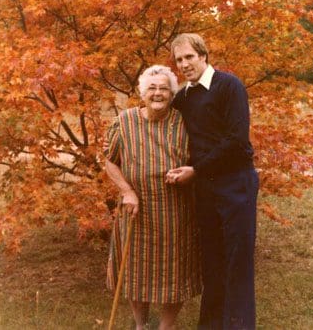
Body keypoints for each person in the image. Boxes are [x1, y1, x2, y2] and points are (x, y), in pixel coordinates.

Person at [167, 33, 259, 330]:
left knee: (237, 260)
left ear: (203, 55)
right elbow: (156, 116)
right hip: (206, 188)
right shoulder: (183, 97)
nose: (184, 64)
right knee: (213, 261)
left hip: (236, 183)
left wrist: (195, 168)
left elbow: (236, 140)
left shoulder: (229, 86)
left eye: (189, 57)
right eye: (179, 60)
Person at [105, 65, 202, 330]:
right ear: (141, 92)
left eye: (164, 89)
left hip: (175, 211)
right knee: (135, 270)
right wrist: (127, 192)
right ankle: (140, 325)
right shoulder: (124, 122)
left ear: (172, 94)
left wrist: (191, 173)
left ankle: (166, 326)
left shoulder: (184, 122)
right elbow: (110, 162)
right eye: (152, 88)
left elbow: (201, 161)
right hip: (136, 209)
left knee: (174, 272)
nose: (157, 93)